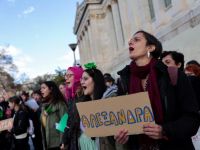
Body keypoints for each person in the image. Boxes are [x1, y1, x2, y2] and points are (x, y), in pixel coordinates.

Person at [115, 30, 200, 150]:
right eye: (130, 40)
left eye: (137, 39)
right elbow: (125, 121)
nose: (130, 42)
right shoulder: (124, 80)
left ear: (150, 47)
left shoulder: (173, 75)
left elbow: (192, 120)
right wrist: (124, 135)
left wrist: (164, 131)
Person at [61, 66, 84, 150]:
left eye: (69, 75)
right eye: (65, 76)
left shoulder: (86, 96)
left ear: (78, 76)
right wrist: (64, 140)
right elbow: (69, 121)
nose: (66, 78)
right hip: (74, 142)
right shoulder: (71, 99)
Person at [40, 81, 67, 150]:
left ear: (51, 89)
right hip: (47, 143)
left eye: (43, 88)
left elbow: (63, 124)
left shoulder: (60, 104)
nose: (41, 90)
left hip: (58, 144)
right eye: (41, 88)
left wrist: (63, 142)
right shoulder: (44, 106)